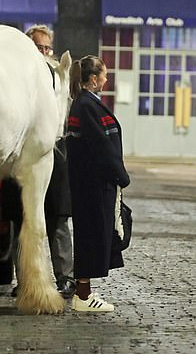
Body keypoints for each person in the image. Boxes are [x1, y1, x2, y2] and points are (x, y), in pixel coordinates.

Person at [11, 24, 76, 298]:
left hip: (55, 158)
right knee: (22, 221)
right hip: (22, 161)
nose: (46, 52)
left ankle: (65, 278)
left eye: (48, 47)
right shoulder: (16, 76)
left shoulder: (58, 77)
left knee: (58, 221)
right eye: (40, 47)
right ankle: (26, 279)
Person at [66, 55, 130, 312]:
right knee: (91, 238)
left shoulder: (85, 104)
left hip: (90, 185)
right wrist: (122, 176)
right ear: (93, 79)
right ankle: (83, 297)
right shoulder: (87, 106)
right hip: (92, 187)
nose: (107, 78)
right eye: (104, 74)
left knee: (91, 236)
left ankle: (84, 292)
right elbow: (103, 149)